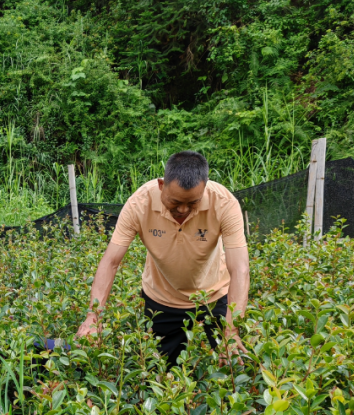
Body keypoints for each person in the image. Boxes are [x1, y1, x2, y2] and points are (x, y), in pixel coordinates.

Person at [75, 151, 250, 365]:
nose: (183, 210)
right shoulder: (139, 204)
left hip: (214, 298)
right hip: (161, 301)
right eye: (175, 202)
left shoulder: (224, 203)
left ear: (205, 189)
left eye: (192, 203)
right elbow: (111, 262)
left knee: (230, 368)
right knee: (159, 372)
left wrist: (231, 330)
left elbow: (239, 268)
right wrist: (93, 317)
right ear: (161, 185)